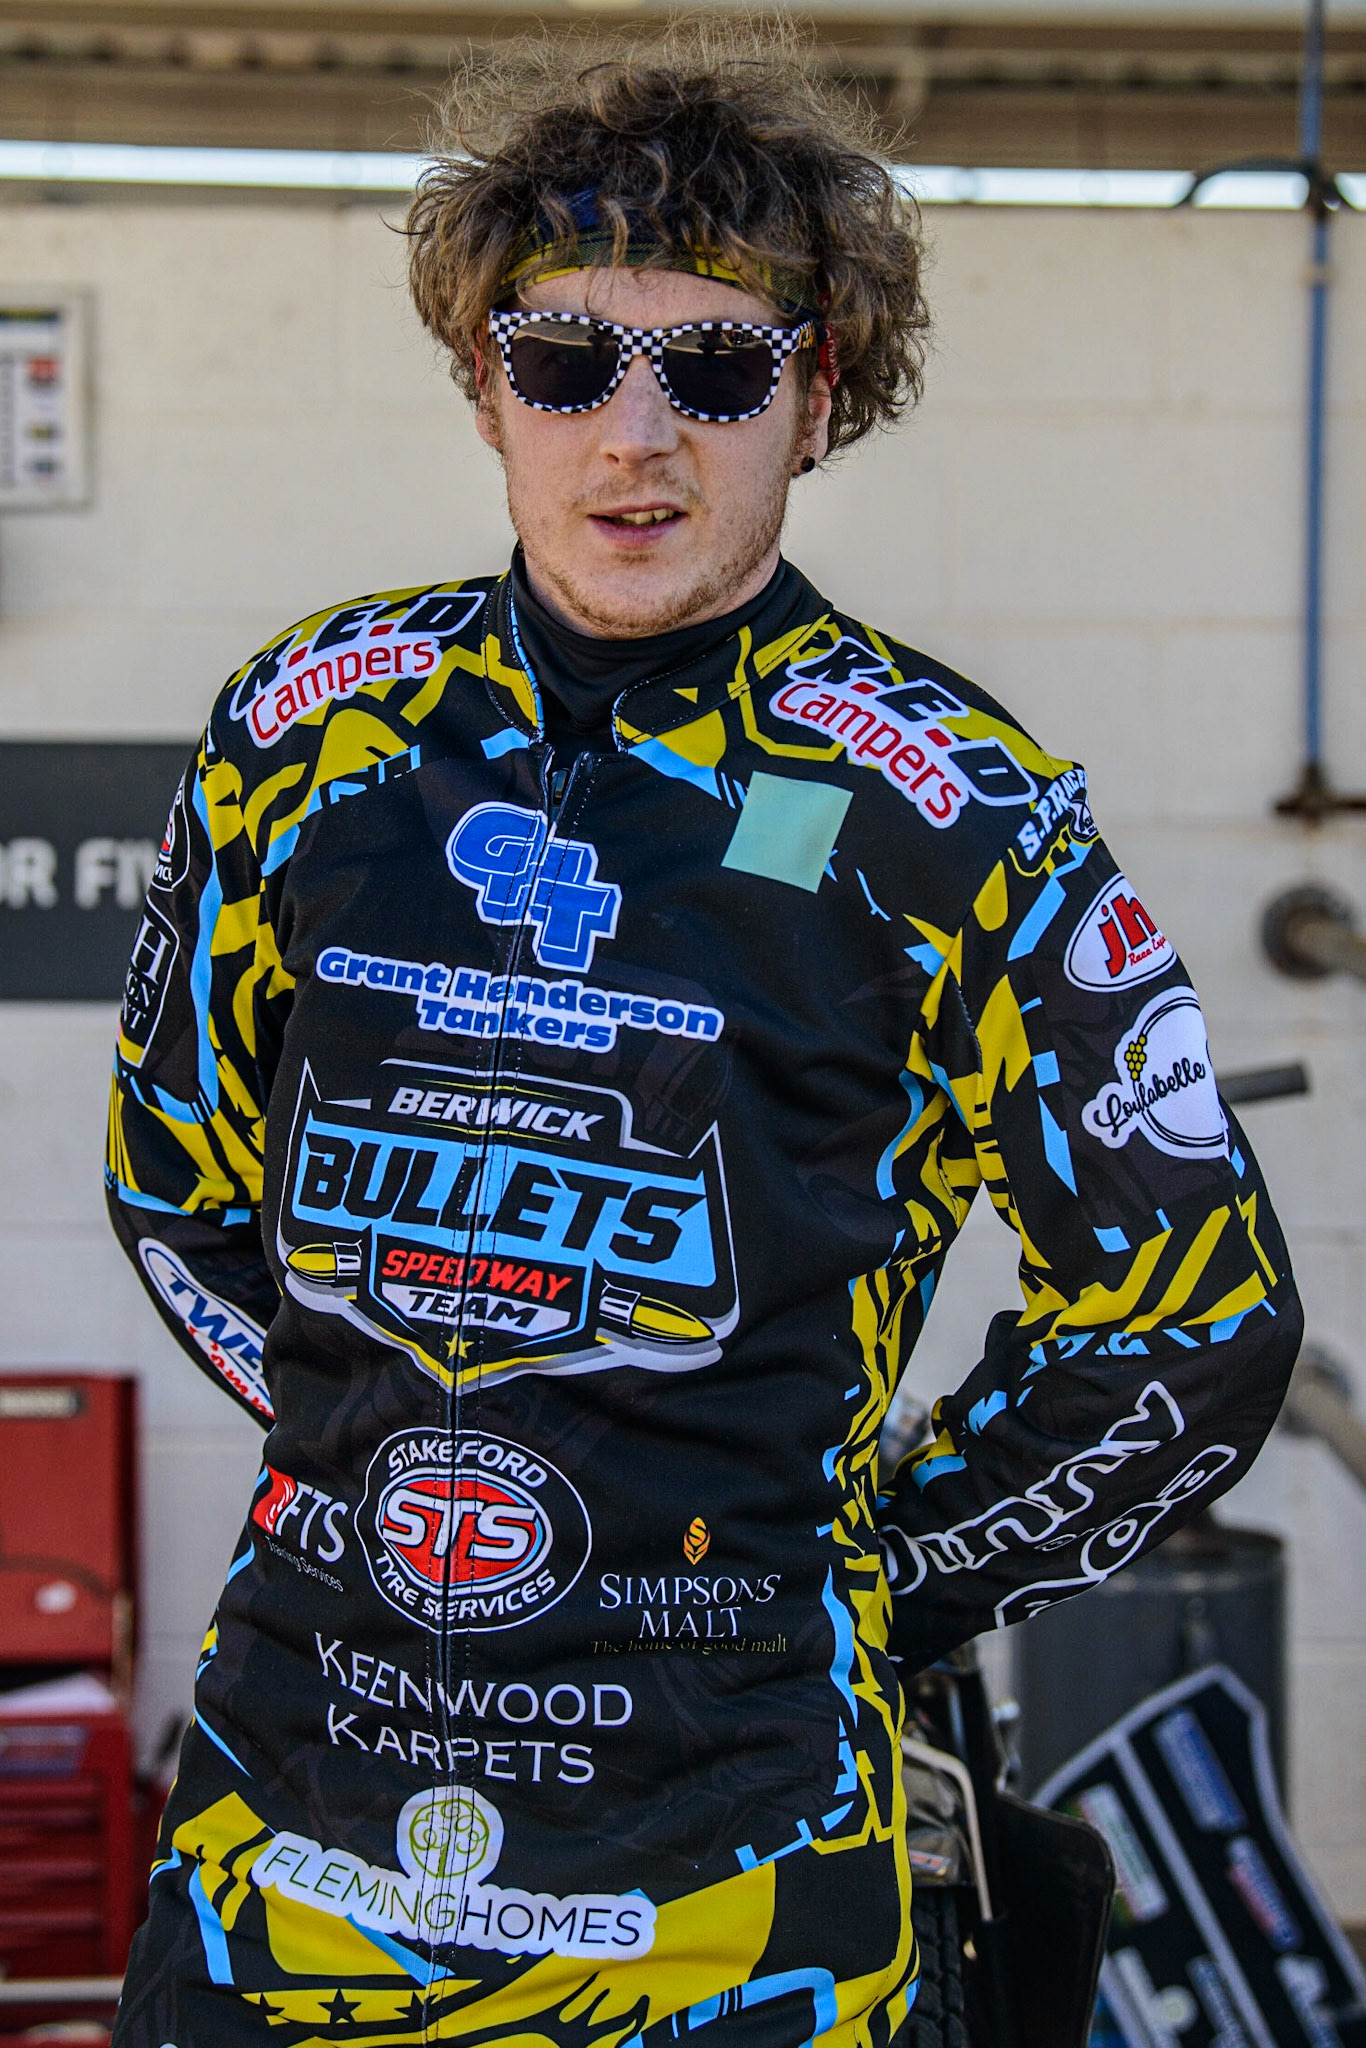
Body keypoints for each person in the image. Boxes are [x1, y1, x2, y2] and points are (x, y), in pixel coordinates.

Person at [106, 25, 1301, 2047]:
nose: (632, 439)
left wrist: (859, 1577)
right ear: (486, 383)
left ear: (815, 393)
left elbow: (1196, 1324)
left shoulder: (954, 808)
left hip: (734, 1884)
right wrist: (404, 1468)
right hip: (290, 1828)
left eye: (718, 369)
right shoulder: (303, 730)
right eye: (565, 360)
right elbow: (178, 1189)